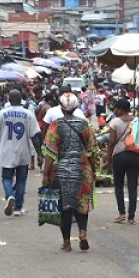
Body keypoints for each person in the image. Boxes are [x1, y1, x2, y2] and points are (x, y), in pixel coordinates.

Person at [42, 91, 98, 252]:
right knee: (82, 204)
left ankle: (66, 243)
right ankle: (82, 231)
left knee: (64, 207)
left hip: (61, 171)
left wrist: (45, 174)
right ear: (76, 107)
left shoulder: (55, 125)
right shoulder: (84, 124)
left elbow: (50, 152)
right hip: (82, 169)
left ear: (61, 107)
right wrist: (94, 171)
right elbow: (91, 151)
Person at [0, 90, 42, 217]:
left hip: (6, 151)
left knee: (7, 178)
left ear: (9, 99)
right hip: (23, 151)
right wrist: (39, 154)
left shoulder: (2, 114)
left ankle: (9, 195)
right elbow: (35, 136)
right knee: (21, 180)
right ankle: (18, 208)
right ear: (21, 100)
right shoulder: (28, 114)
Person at [102, 98, 139, 225]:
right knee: (132, 186)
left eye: (116, 109)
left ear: (121, 109)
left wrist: (108, 159)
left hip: (119, 156)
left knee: (118, 185)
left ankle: (122, 214)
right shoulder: (136, 121)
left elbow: (112, 142)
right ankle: (132, 217)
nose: (115, 111)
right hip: (135, 155)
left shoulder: (115, 122)